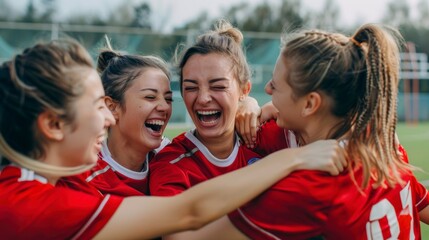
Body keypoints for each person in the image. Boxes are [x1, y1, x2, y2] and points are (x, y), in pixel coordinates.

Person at [0, 38, 346, 239]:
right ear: (53, 126)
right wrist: (291, 160)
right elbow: (187, 213)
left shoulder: (163, 152)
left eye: (168, 97)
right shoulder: (27, 203)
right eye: (97, 106)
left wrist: (255, 104)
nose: (106, 118)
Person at [177, 23, 429, 239]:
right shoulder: (381, 142)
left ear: (309, 104)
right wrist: (247, 104)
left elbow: (188, 233)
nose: (266, 90)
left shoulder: (312, 187)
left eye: (275, 85)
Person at [66, 37, 172, 196]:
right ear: (112, 107)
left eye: (168, 99)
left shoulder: (171, 156)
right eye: (150, 97)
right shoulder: (84, 172)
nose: (164, 107)